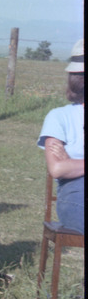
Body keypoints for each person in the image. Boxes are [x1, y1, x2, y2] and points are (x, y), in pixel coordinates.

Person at [37, 38, 84, 234]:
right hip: (76, 194)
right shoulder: (59, 116)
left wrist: (73, 163)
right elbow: (57, 168)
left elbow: (65, 166)